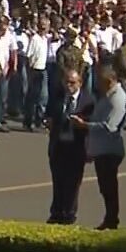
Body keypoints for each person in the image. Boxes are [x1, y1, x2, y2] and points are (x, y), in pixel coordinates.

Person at [84, 65, 126, 230]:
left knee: (109, 187)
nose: (97, 85)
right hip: (100, 148)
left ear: (109, 81)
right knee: (105, 187)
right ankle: (110, 217)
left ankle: (112, 219)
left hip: (109, 149)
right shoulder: (107, 95)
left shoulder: (117, 98)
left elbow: (110, 126)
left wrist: (85, 125)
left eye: (101, 82)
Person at [45, 68, 89, 225]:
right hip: (58, 146)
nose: (69, 86)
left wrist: (83, 126)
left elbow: (92, 125)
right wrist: (49, 122)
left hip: (76, 148)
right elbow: (49, 114)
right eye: (66, 82)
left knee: (73, 183)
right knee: (58, 181)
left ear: (80, 83)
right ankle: (56, 212)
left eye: (72, 83)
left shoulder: (88, 101)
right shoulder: (57, 97)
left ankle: (69, 214)